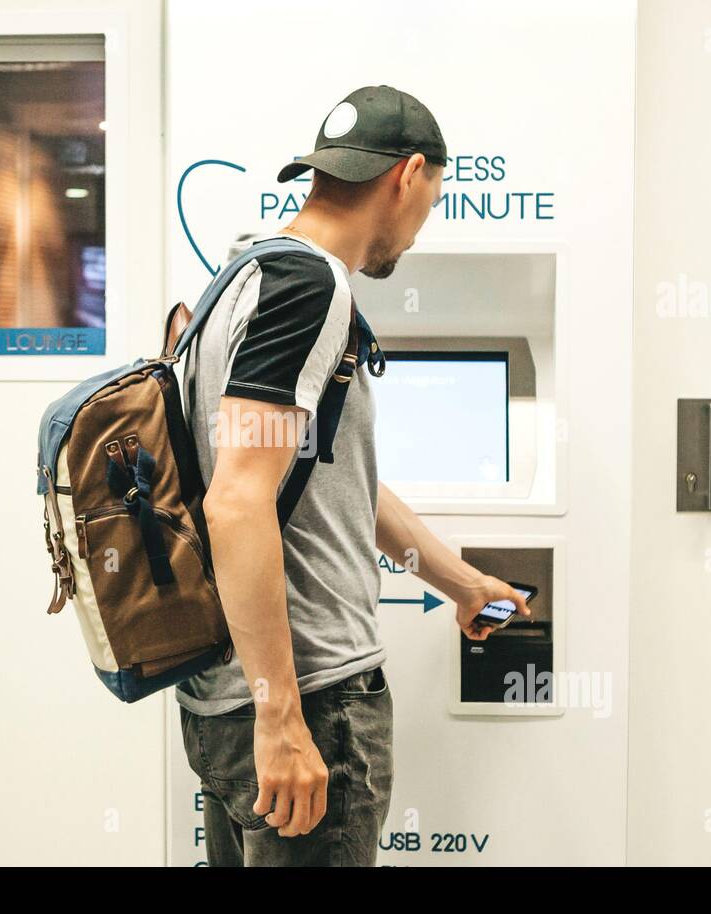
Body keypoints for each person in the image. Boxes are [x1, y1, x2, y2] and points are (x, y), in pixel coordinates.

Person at [177, 85, 531, 867]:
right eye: (435, 193)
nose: (425, 216)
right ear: (410, 175)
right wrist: (281, 716)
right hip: (305, 700)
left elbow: (331, 480)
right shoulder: (311, 289)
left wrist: (460, 582)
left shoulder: (242, 279)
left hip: (227, 701)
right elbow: (237, 502)